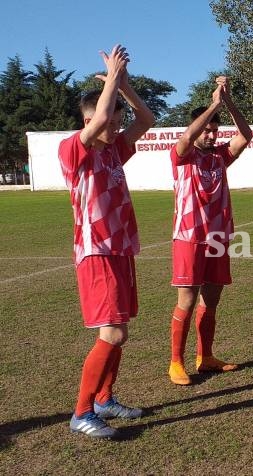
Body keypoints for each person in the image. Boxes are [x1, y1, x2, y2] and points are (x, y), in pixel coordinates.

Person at [59, 45, 155, 438]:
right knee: (111, 333)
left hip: (119, 250)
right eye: (108, 122)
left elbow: (146, 119)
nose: (114, 128)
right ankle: (82, 412)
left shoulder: (115, 148)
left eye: (117, 123)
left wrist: (126, 87)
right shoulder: (72, 150)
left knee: (121, 332)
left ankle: (103, 399)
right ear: (87, 120)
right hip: (95, 251)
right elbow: (99, 117)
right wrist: (113, 76)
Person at [167, 76, 252, 385]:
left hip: (217, 238)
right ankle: (176, 361)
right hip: (189, 237)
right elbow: (188, 136)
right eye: (207, 129)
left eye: (215, 130)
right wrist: (213, 103)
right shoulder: (182, 155)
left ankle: (205, 357)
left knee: (211, 301)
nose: (212, 133)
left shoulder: (220, 157)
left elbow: (246, 135)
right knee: (186, 301)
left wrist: (227, 102)